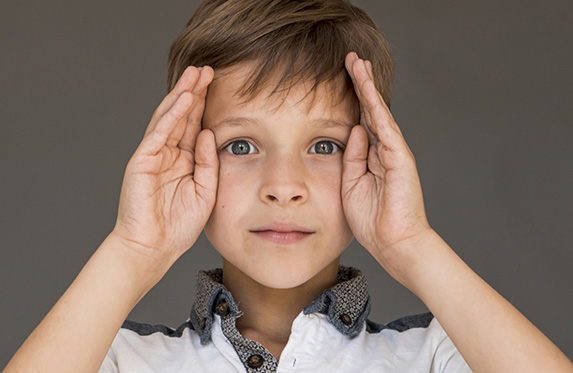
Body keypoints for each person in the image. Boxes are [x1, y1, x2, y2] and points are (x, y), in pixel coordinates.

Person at [5, 0, 572, 372]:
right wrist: (132, 251)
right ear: (185, 155)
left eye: (323, 146)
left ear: (373, 156)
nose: (284, 187)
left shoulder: (436, 356)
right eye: (242, 146)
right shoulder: (119, 359)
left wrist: (413, 244)